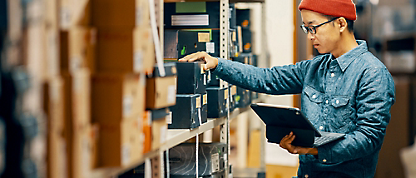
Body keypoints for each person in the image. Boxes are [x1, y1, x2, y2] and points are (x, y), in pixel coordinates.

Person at [179, 0, 395, 177]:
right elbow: (266, 78)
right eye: (306, 28)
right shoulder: (314, 67)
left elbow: (368, 138)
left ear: (340, 24)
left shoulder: (373, 74)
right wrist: (218, 64)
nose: (310, 36)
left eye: (314, 27)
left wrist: (314, 149)